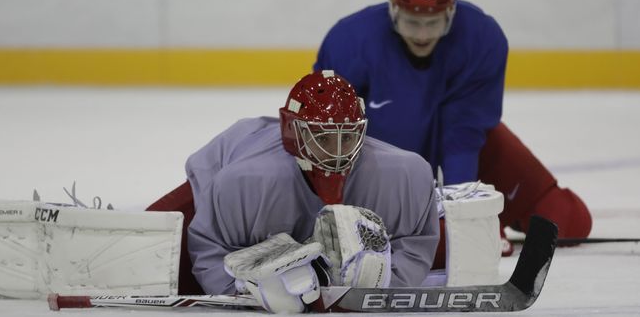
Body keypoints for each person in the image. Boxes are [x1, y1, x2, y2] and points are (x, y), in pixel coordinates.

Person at [314, 0, 592, 254]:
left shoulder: (482, 38)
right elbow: (328, 138)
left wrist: (466, 214)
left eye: (433, 23)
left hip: (464, 150)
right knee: (434, 243)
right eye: (412, 23)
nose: (422, 35)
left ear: (451, 13)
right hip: (382, 166)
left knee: (570, 220)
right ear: (393, 11)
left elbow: (464, 133)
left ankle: (503, 213)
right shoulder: (349, 42)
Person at [148, 70, 439, 311]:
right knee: (151, 247)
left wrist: (387, 280)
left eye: (348, 136)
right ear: (293, 132)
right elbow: (209, 245)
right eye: (323, 138)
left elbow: (417, 240)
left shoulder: (405, 173)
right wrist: (245, 291)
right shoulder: (243, 181)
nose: (337, 152)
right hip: (222, 167)